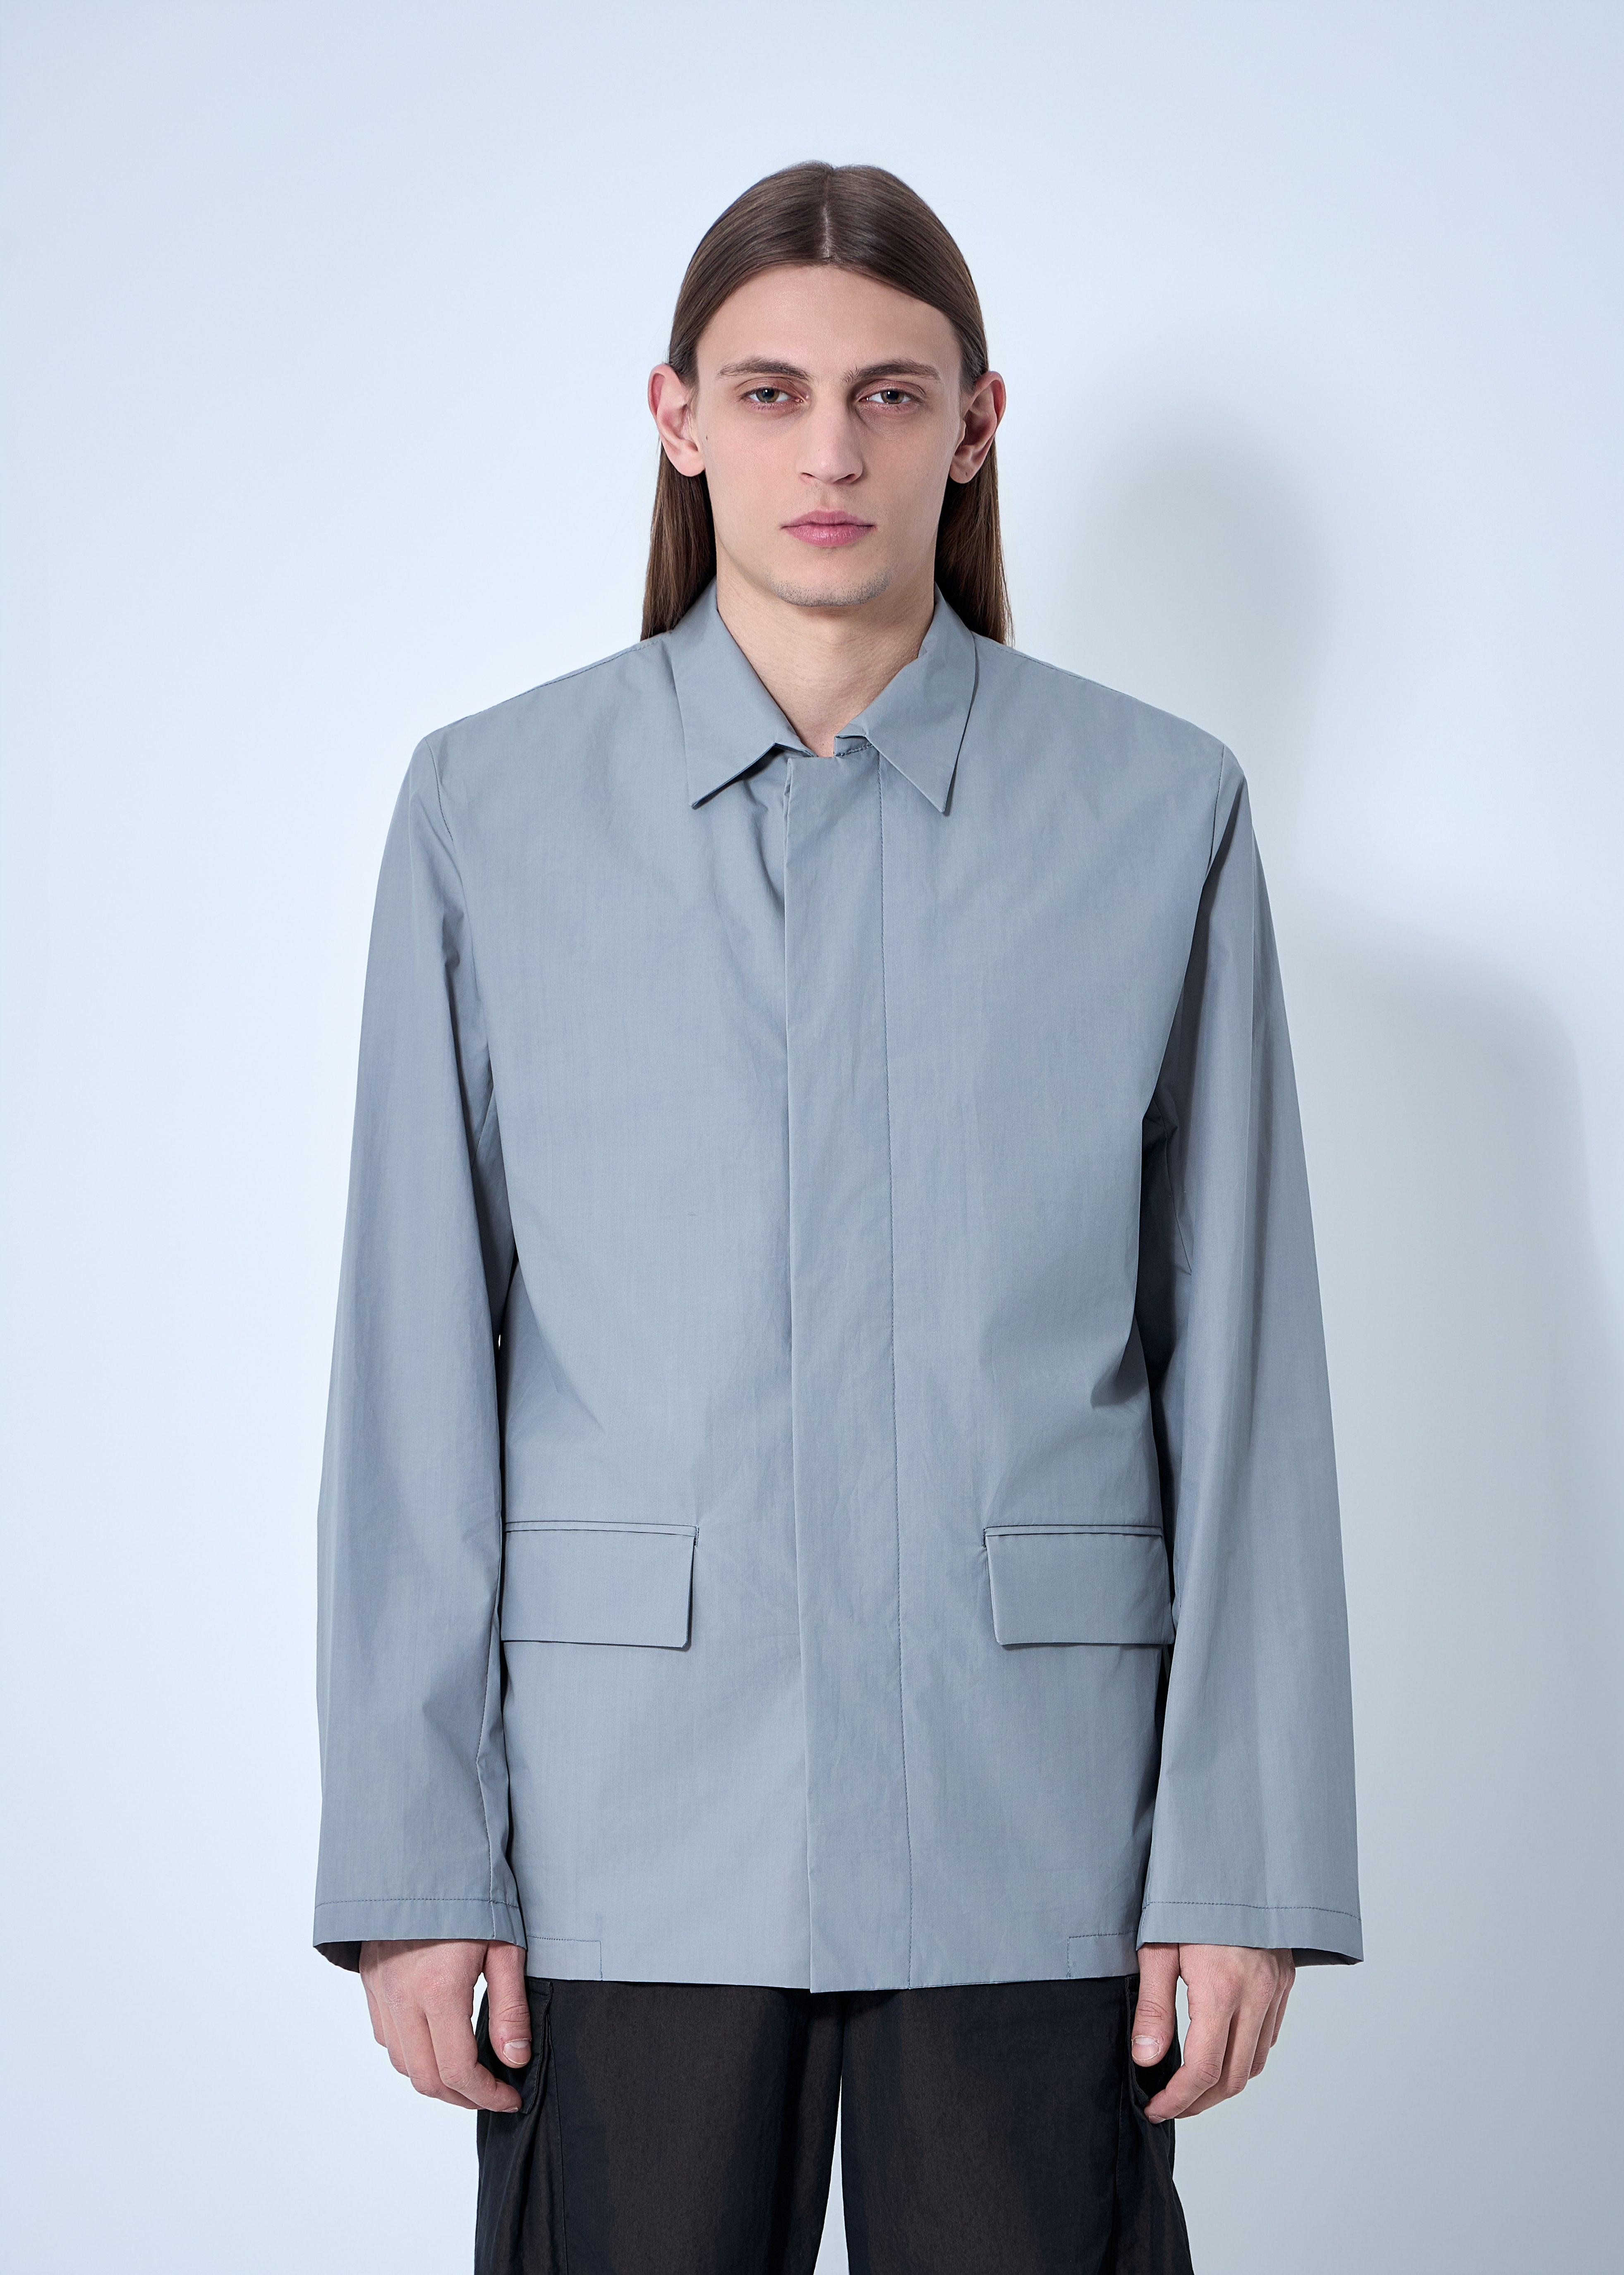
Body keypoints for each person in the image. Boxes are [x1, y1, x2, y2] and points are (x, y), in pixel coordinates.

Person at [313, 160, 1362, 2275]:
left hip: (1030, 1811)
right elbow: (413, 1371)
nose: (827, 452)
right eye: (769, 392)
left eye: (890, 395)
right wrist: (419, 1863)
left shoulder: (1157, 810)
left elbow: (1244, 1369)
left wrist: (1241, 1861)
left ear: (974, 425)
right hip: (627, 1822)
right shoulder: (489, 811)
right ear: (676, 418)